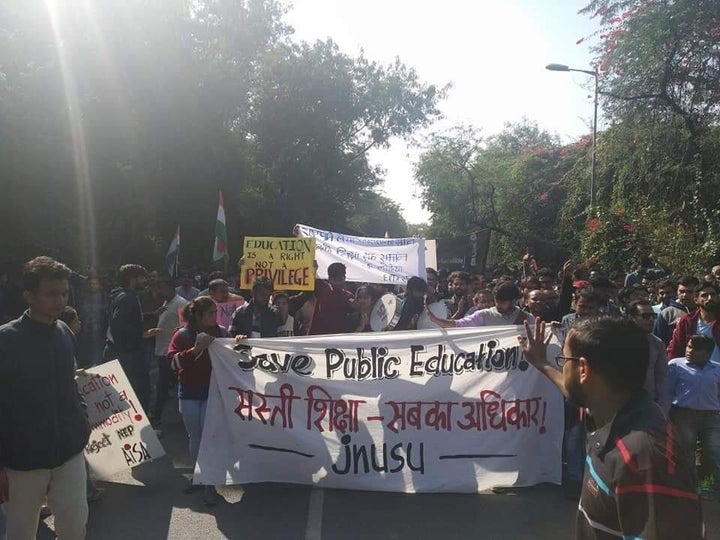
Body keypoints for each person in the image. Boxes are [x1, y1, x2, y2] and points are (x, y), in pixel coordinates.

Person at [519, 317, 703, 539]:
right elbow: (573, 391)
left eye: (563, 360)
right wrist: (543, 364)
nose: (562, 366)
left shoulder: (643, 460)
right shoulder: (609, 409)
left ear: (583, 369)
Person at [0, 257, 91, 539]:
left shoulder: (64, 332)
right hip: (22, 462)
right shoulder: (6, 340)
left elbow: (70, 383)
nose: (60, 300)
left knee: (75, 529)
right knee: (21, 532)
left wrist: (82, 421)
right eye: (51, 294)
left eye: (64, 293)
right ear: (28, 295)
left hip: (69, 454)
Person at [168, 296, 227, 506]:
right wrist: (196, 349)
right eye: (211, 313)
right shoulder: (182, 334)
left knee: (208, 437)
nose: (215, 316)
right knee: (196, 436)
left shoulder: (221, 333)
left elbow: (236, 354)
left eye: (216, 312)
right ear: (199, 315)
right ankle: (199, 475)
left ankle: (208, 483)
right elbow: (173, 363)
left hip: (213, 393)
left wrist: (237, 340)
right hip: (190, 392)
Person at [667, 334, 720, 499]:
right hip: (684, 416)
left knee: (713, 451)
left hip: (710, 417)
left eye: (695, 349)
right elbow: (667, 391)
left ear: (707, 353)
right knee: (686, 452)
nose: (689, 351)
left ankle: (711, 486)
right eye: (689, 346)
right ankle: (688, 486)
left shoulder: (717, 369)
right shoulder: (675, 365)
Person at [103, 264, 160, 411]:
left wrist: (151, 315)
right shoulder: (128, 298)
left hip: (119, 352)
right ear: (131, 279)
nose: (145, 281)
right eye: (141, 278)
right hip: (127, 356)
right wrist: (142, 336)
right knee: (138, 393)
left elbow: (128, 320)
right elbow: (118, 325)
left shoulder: (119, 295)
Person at [149, 277, 188, 434]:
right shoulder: (167, 302)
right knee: (165, 386)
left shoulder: (181, 303)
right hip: (162, 350)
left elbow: (185, 327)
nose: (159, 291)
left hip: (171, 353)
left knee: (165, 385)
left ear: (172, 288)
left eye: (162, 287)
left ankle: (159, 414)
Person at [426, 281, 530, 328]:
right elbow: (457, 325)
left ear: (513, 301)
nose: (498, 305)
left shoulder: (527, 318)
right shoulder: (483, 315)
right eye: (496, 301)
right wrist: (435, 320)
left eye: (503, 303)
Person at [626, 299, 668, 409]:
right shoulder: (618, 341)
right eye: (645, 316)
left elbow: (662, 377)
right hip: (620, 402)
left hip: (647, 403)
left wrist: (663, 407)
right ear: (631, 317)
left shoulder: (657, 344)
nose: (651, 320)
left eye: (653, 316)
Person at [667, 281, 720, 361]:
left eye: (713, 294)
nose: (710, 298)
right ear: (696, 300)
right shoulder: (686, 321)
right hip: (693, 371)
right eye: (704, 295)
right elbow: (675, 349)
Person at [654, 275, 698, 345]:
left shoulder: (704, 311)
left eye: (689, 292)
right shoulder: (667, 313)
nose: (684, 295)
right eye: (681, 291)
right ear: (677, 292)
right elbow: (658, 341)